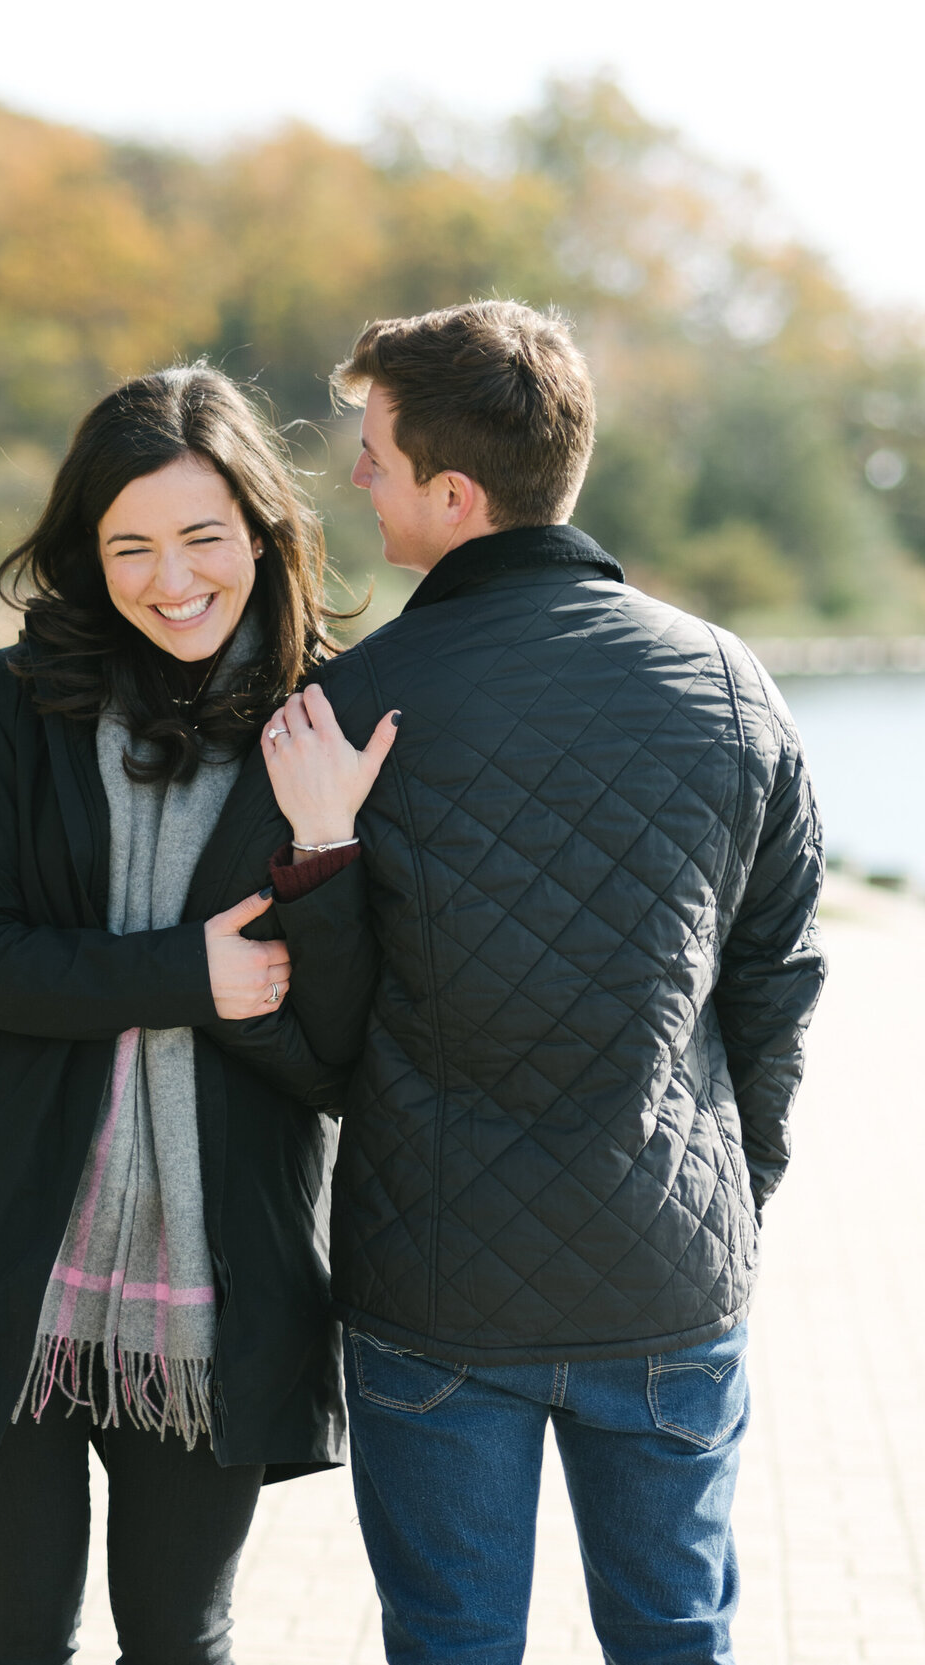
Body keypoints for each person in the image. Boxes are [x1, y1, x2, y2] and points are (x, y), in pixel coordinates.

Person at [246, 300, 827, 1664]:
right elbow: (781, 977)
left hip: (433, 1295)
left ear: (456, 493)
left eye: (375, 453)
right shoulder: (733, 684)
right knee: (677, 1639)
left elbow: (317, 1048)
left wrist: (317, 854)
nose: (359, 479)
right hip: (670, 1273)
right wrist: (739, 1189)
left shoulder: (349, 711)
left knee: (451, 1646)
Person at [0, 364, 397, 1665]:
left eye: (204, 538)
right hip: (9, 1256)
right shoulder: (15, 699)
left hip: (222, 1280)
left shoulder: (322, 723)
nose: (173, 580)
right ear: (86, 553)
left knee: (178, 1637)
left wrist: (327, 852)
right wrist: (178, 973)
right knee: (20, 1632)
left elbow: (339, 1044)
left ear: (262, 533)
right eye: (131, 546)